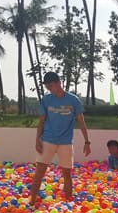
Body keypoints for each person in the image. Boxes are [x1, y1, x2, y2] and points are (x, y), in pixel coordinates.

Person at [29, 72, 91, 203]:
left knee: (67, 174)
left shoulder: (73, 100)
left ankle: (68, 202)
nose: (49, 88)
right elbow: (41, 121)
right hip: (48, 140)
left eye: (51, 85)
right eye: (47, 86)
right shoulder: (46, 100)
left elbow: (81, 121)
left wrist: (87, 141)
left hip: (65, 142)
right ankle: (32, 201)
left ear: (59, 83)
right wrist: (37, 140)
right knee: (39, 171)